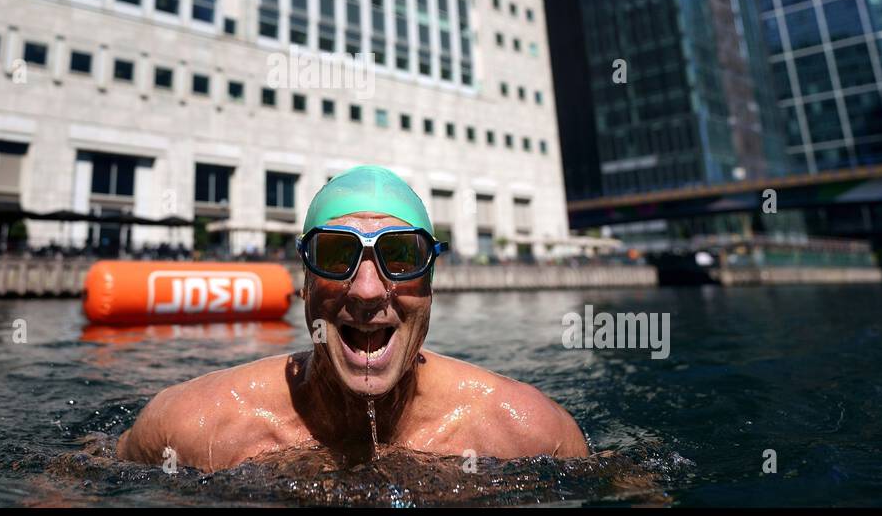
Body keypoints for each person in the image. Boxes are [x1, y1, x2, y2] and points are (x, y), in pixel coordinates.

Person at [117, 165, 588, 471]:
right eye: (336, 254)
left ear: (430, 286)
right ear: (303, 283)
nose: (366, 290)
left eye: (401, 257)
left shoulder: (531, 433)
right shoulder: (188, 428)